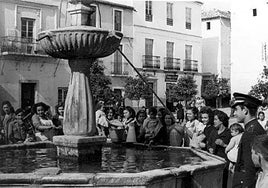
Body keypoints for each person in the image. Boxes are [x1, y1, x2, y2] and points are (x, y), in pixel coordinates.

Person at [231, 92, 266, 188]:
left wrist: (246, 185)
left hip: (245, 181)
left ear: (245, 110)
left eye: (236, 110)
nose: (234, 113)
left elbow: (249, 165)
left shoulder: (251, 132)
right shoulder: (254, 127)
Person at [213, 109, 232, 188]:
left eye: (215, 119)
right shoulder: (213, 132)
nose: (214, 121)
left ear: (221, 121)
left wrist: (223, 144)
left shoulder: (229, 133)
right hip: (214, 162)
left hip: (224, 163)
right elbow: (209, 144)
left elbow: (234, 148)